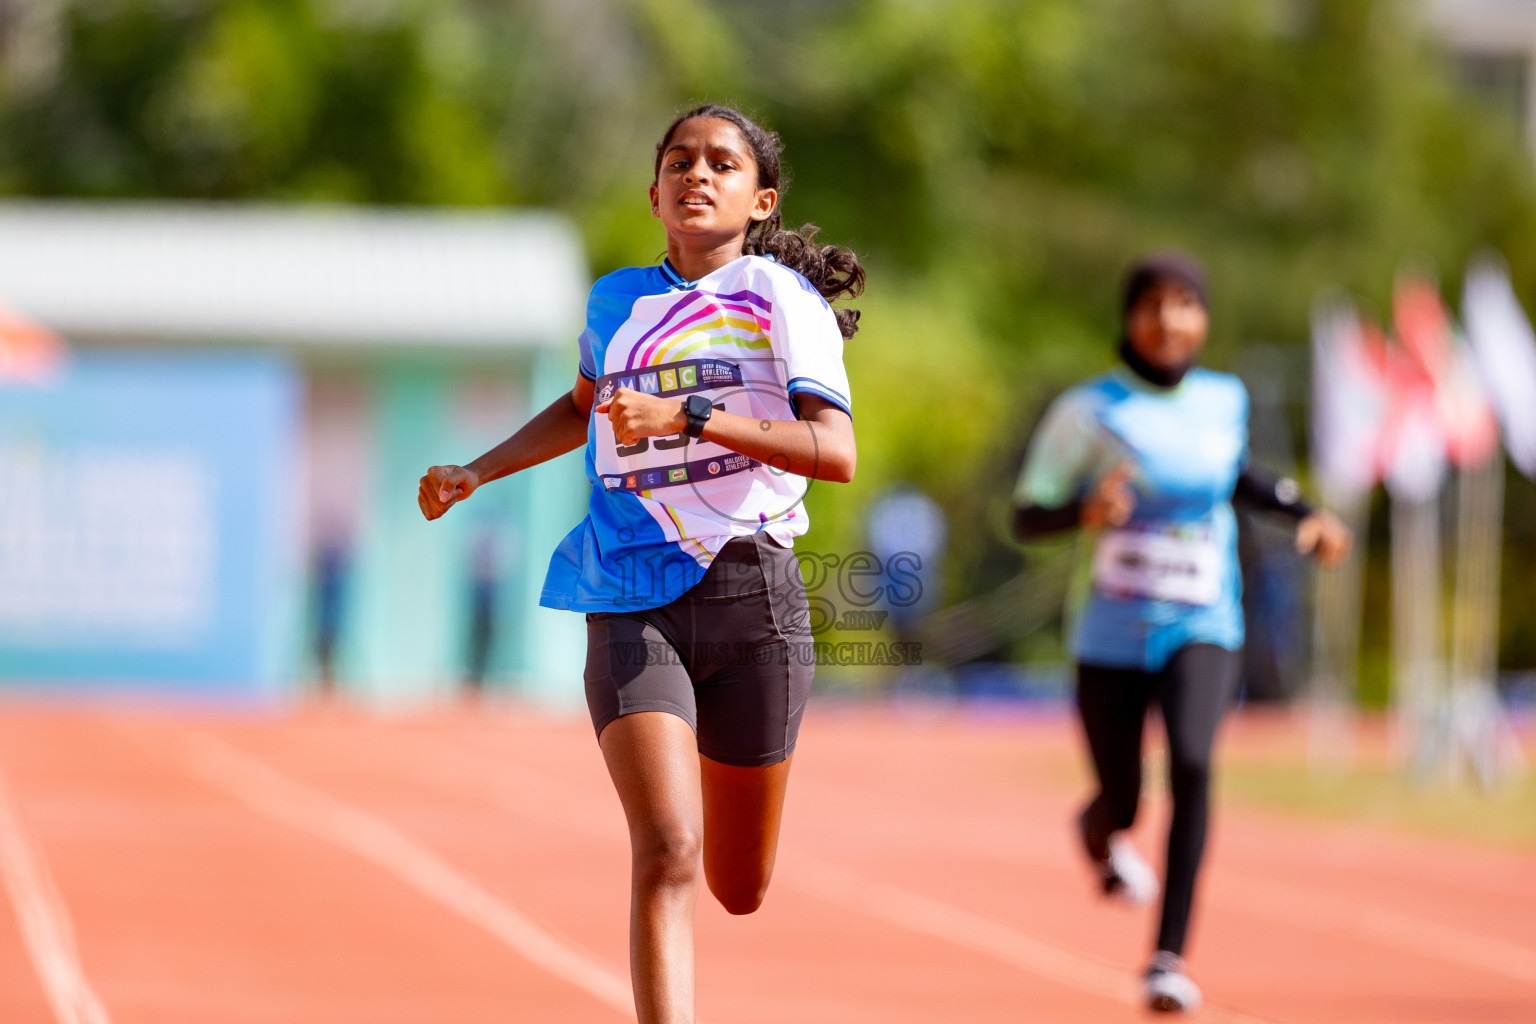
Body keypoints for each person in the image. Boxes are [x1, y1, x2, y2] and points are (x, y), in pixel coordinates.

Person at [418, 104, 860, 1024]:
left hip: (753, 598)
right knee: (667, 849)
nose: (699, 175)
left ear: (760, 199)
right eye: (680, 161)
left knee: (739, 886)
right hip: (628, 588)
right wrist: (478, 469)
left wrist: (690, 417)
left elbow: (835, 450)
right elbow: (580, 408)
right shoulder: (616, 302)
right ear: (654, 190)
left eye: (723, 165)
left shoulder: (783, 302)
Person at [1011, 253, 1350, 1014]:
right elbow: (1027, 513)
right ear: (1129, 318)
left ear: (1204, 317)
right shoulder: (1088, 410)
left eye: (1186, 303)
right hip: (1109, 633)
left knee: (1195, 762)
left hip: (1203, 620)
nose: (1170, 320)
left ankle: (1167, 958)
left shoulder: (1222, 399)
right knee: (1125, 798)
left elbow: (1239, 474)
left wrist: (1308, 514)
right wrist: (1082, 513)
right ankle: (1099, 826)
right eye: (1154, 304)